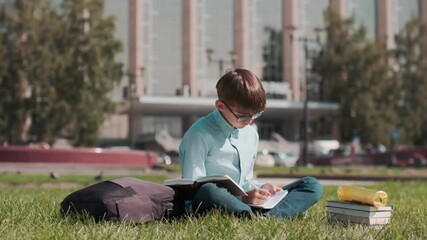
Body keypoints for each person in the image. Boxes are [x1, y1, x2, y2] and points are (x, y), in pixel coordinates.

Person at [178, 68, 323, 219]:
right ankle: (257, 215)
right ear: (220, 106)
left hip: (246, 203)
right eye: (242, 116)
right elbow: (194, 188)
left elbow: (245, 181)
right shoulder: (199, 133)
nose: (249, 121)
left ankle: (263, 217)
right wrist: (242, 199)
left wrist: (262, 188)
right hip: (212, 201)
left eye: (256, 115)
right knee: (208, 190)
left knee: (311, 185)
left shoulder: (250, 133)